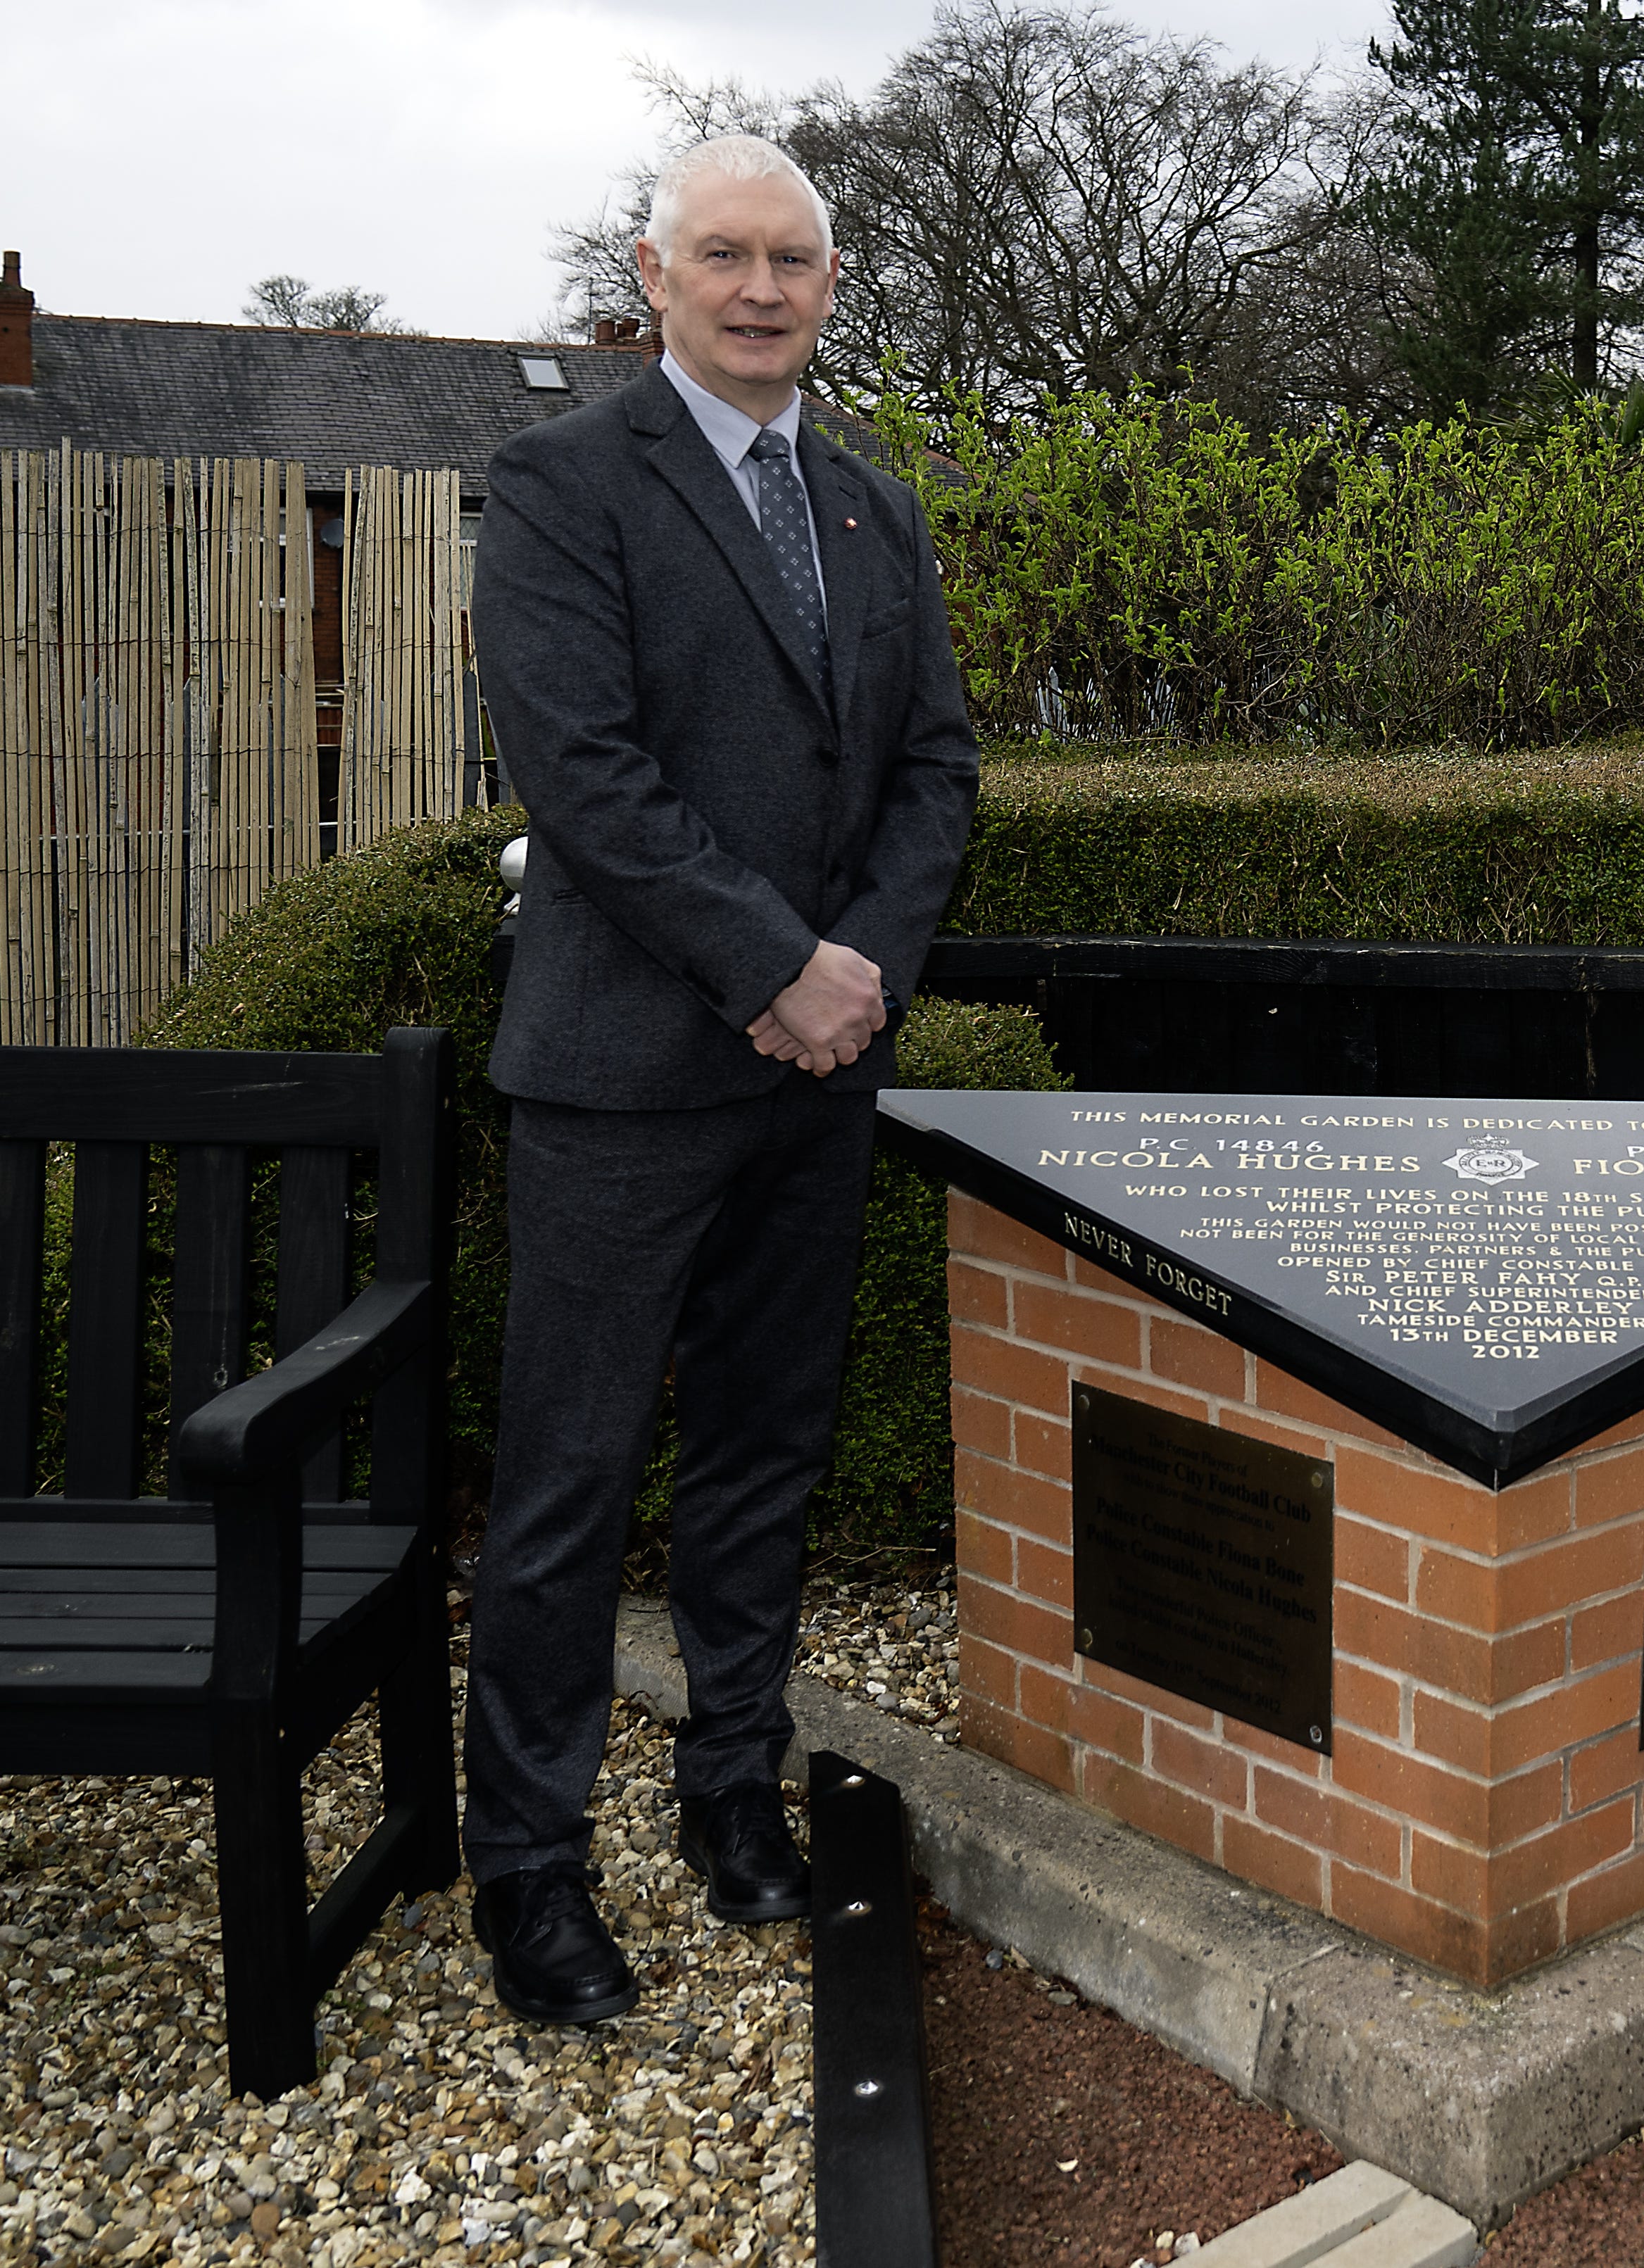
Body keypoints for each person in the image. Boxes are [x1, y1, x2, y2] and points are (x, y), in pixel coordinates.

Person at [461, 132, 979, 2023]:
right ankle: (527, 1871)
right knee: (570, 1483)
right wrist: (779, 965)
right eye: (725, 256)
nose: (762, 288)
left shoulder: (870, 507)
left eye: (795, 259)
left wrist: (856, 984)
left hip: (813, 1081)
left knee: (763, 1454)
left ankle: (727, 1791)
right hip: (621, 1079)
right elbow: (584, 774)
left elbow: (936, 772)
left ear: (832, 283)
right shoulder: (560, 483)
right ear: (654, 273)